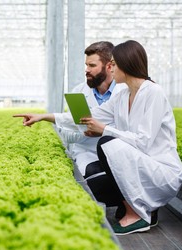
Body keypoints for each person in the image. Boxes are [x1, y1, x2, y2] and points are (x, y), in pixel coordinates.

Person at [78, 40, 182, 235]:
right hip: (139, 166)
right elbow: (90, 116)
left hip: (160, 169)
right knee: (94, 184)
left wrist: (104, 130)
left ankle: (138, 214)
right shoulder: (122, 96)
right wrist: (46, 117)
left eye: (114, 64)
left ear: (126, 64)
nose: (110, 69)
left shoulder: (153, 92)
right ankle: (148, 211)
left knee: (106, 144)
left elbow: (143, 142)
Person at [15, 41, 126, 212]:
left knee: (124, 176)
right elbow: (67, 131)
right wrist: (86, 133)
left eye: (92, 65)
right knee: (96, 177)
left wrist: (103, 130)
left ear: (109, 66)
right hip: (88, 152)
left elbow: (130, 129)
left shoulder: (124, 92)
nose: (86, 70)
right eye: (86, 65)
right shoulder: (78, 93)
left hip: (119, 152)